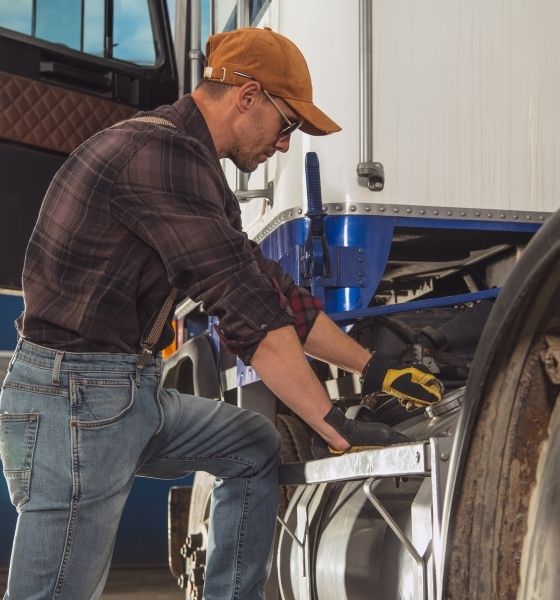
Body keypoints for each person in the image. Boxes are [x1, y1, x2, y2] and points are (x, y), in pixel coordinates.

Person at [0, 27, 442, 599]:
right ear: (248, 95)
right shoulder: (158, 156)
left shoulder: (194, 168)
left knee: (252, 446)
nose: (286, 145)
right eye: (288, 125)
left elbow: (268, 286)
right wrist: (330, 423)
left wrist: (374, 368)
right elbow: (248, 313)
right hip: (73, 402)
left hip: (124, 393)